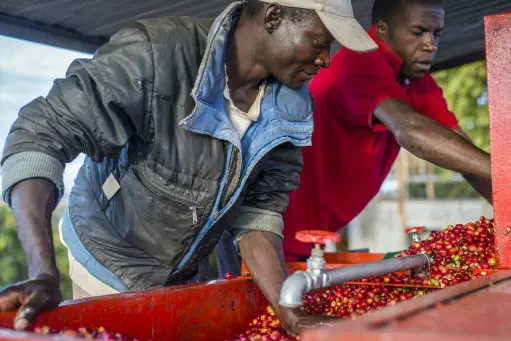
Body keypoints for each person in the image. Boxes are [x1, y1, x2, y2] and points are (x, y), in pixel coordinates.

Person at [0, 0, 377, 335]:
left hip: (178, 271)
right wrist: (43, 274)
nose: (326, 60)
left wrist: (286, 310)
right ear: (274, 16)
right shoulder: (155, 55)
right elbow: (39, 138)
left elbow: (259, 213)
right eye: (319, 42)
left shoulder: (291, 105)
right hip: (109, 258)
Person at [281, 0, 493, 261]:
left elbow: (461, 149)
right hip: (268, 227)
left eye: (436, 33)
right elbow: (410, 130)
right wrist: (504, 172)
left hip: (308, 233)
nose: (431, 44)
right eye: (418, 32)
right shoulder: (359, 61)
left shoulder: (416, 81)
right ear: (382, 29)